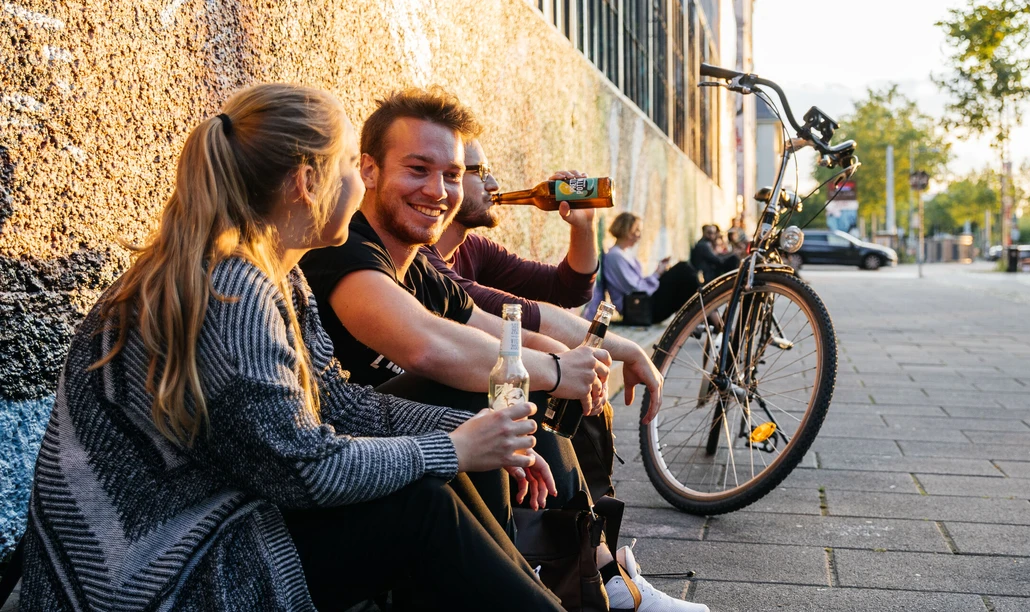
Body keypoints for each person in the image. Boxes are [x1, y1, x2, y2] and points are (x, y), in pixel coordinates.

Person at [21, 83, 564, 611]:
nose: (362, 182)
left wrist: (473, 439)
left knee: (441, 469)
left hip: (215, 522)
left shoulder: (276, 272)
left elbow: (337, 401)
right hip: (154, 578)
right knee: (419, 507)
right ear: (308, 182)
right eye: (352, 165)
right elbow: (307, 468)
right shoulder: (233, 291)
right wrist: (456, 448)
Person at [298, 89, 703, 612]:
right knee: (483, 392)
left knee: (505, 396)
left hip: (393, 451)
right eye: (418, 169)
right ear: (368, 170)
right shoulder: (346, 249)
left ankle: (581, 572)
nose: (438, 190)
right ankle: (579, 575)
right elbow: (430, 346)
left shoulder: (417, 262)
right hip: (343, 469)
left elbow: (505, 326)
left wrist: (596, 356)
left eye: (450, 174)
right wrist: (556, 369)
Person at [423, 139, 664, 425]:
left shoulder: (473, 248)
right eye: (482, 172)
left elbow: (568, 290)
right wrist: (630, 351)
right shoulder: (424, 259)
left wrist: (584, 226)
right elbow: (526, 315)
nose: (495, 185)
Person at [599, 212, 703, 324]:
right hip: (640, 310)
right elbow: (637, 289)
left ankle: (701, 316)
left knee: (686, 278)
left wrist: (659, 272)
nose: (639, 235)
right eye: (637, 230)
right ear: (626, 231)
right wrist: (658, 273)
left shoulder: (625, 254)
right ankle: (709, 315)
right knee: (683, 269)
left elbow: (640, 285)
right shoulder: (615, 256)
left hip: (644, 305)